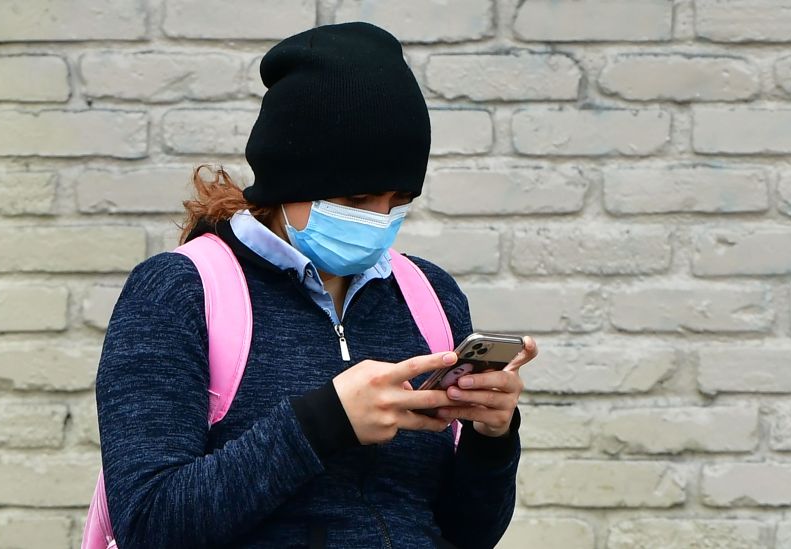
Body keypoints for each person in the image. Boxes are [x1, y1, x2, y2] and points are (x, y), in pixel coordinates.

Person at [95, 21, 537, 549]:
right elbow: (148, 524)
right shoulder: (179, 292)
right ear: (288, 179)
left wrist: (491, 438)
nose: (379, 221)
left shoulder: (429, 296)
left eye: (397, 203)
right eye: (356, 201)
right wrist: (323, 424)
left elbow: (465, 533)